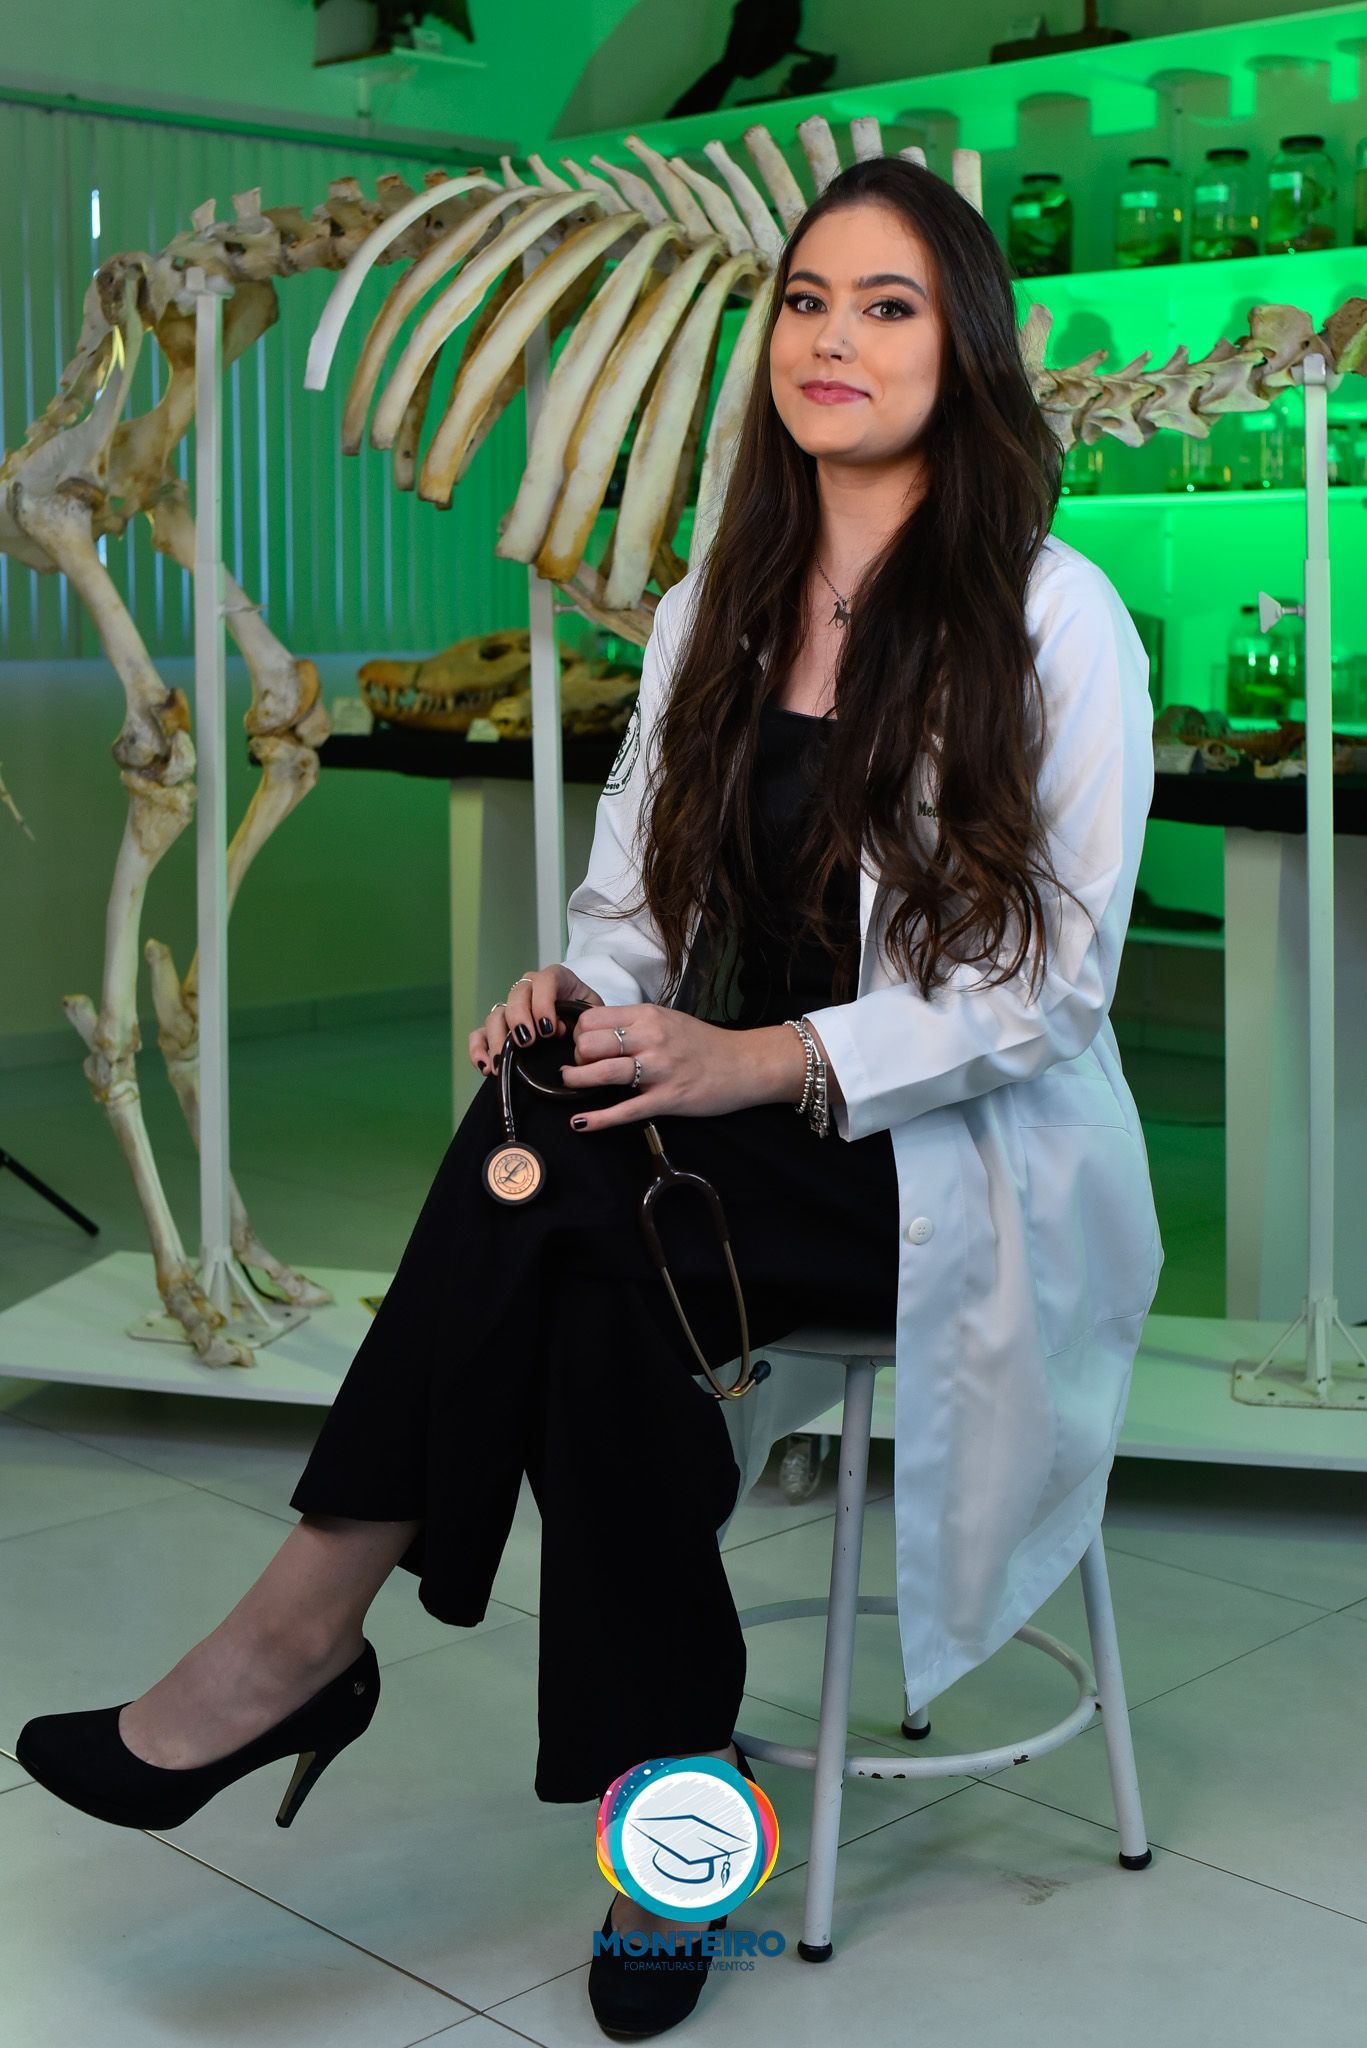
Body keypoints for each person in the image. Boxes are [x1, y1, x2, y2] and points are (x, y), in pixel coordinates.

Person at [16, 153, 1161, 2039]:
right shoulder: (723, 596)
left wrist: (762, 1059)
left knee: (560, 1187)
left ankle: (305, 1638)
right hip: (727, 1140)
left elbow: (1053, 987)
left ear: (966, 346)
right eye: (806, 300)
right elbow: (634, 907)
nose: (834, 338)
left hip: (947, 1159)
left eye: (887, 306)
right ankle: (661, 1824)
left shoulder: (1056, 615)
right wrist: (591, 991)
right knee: (568, 1167)